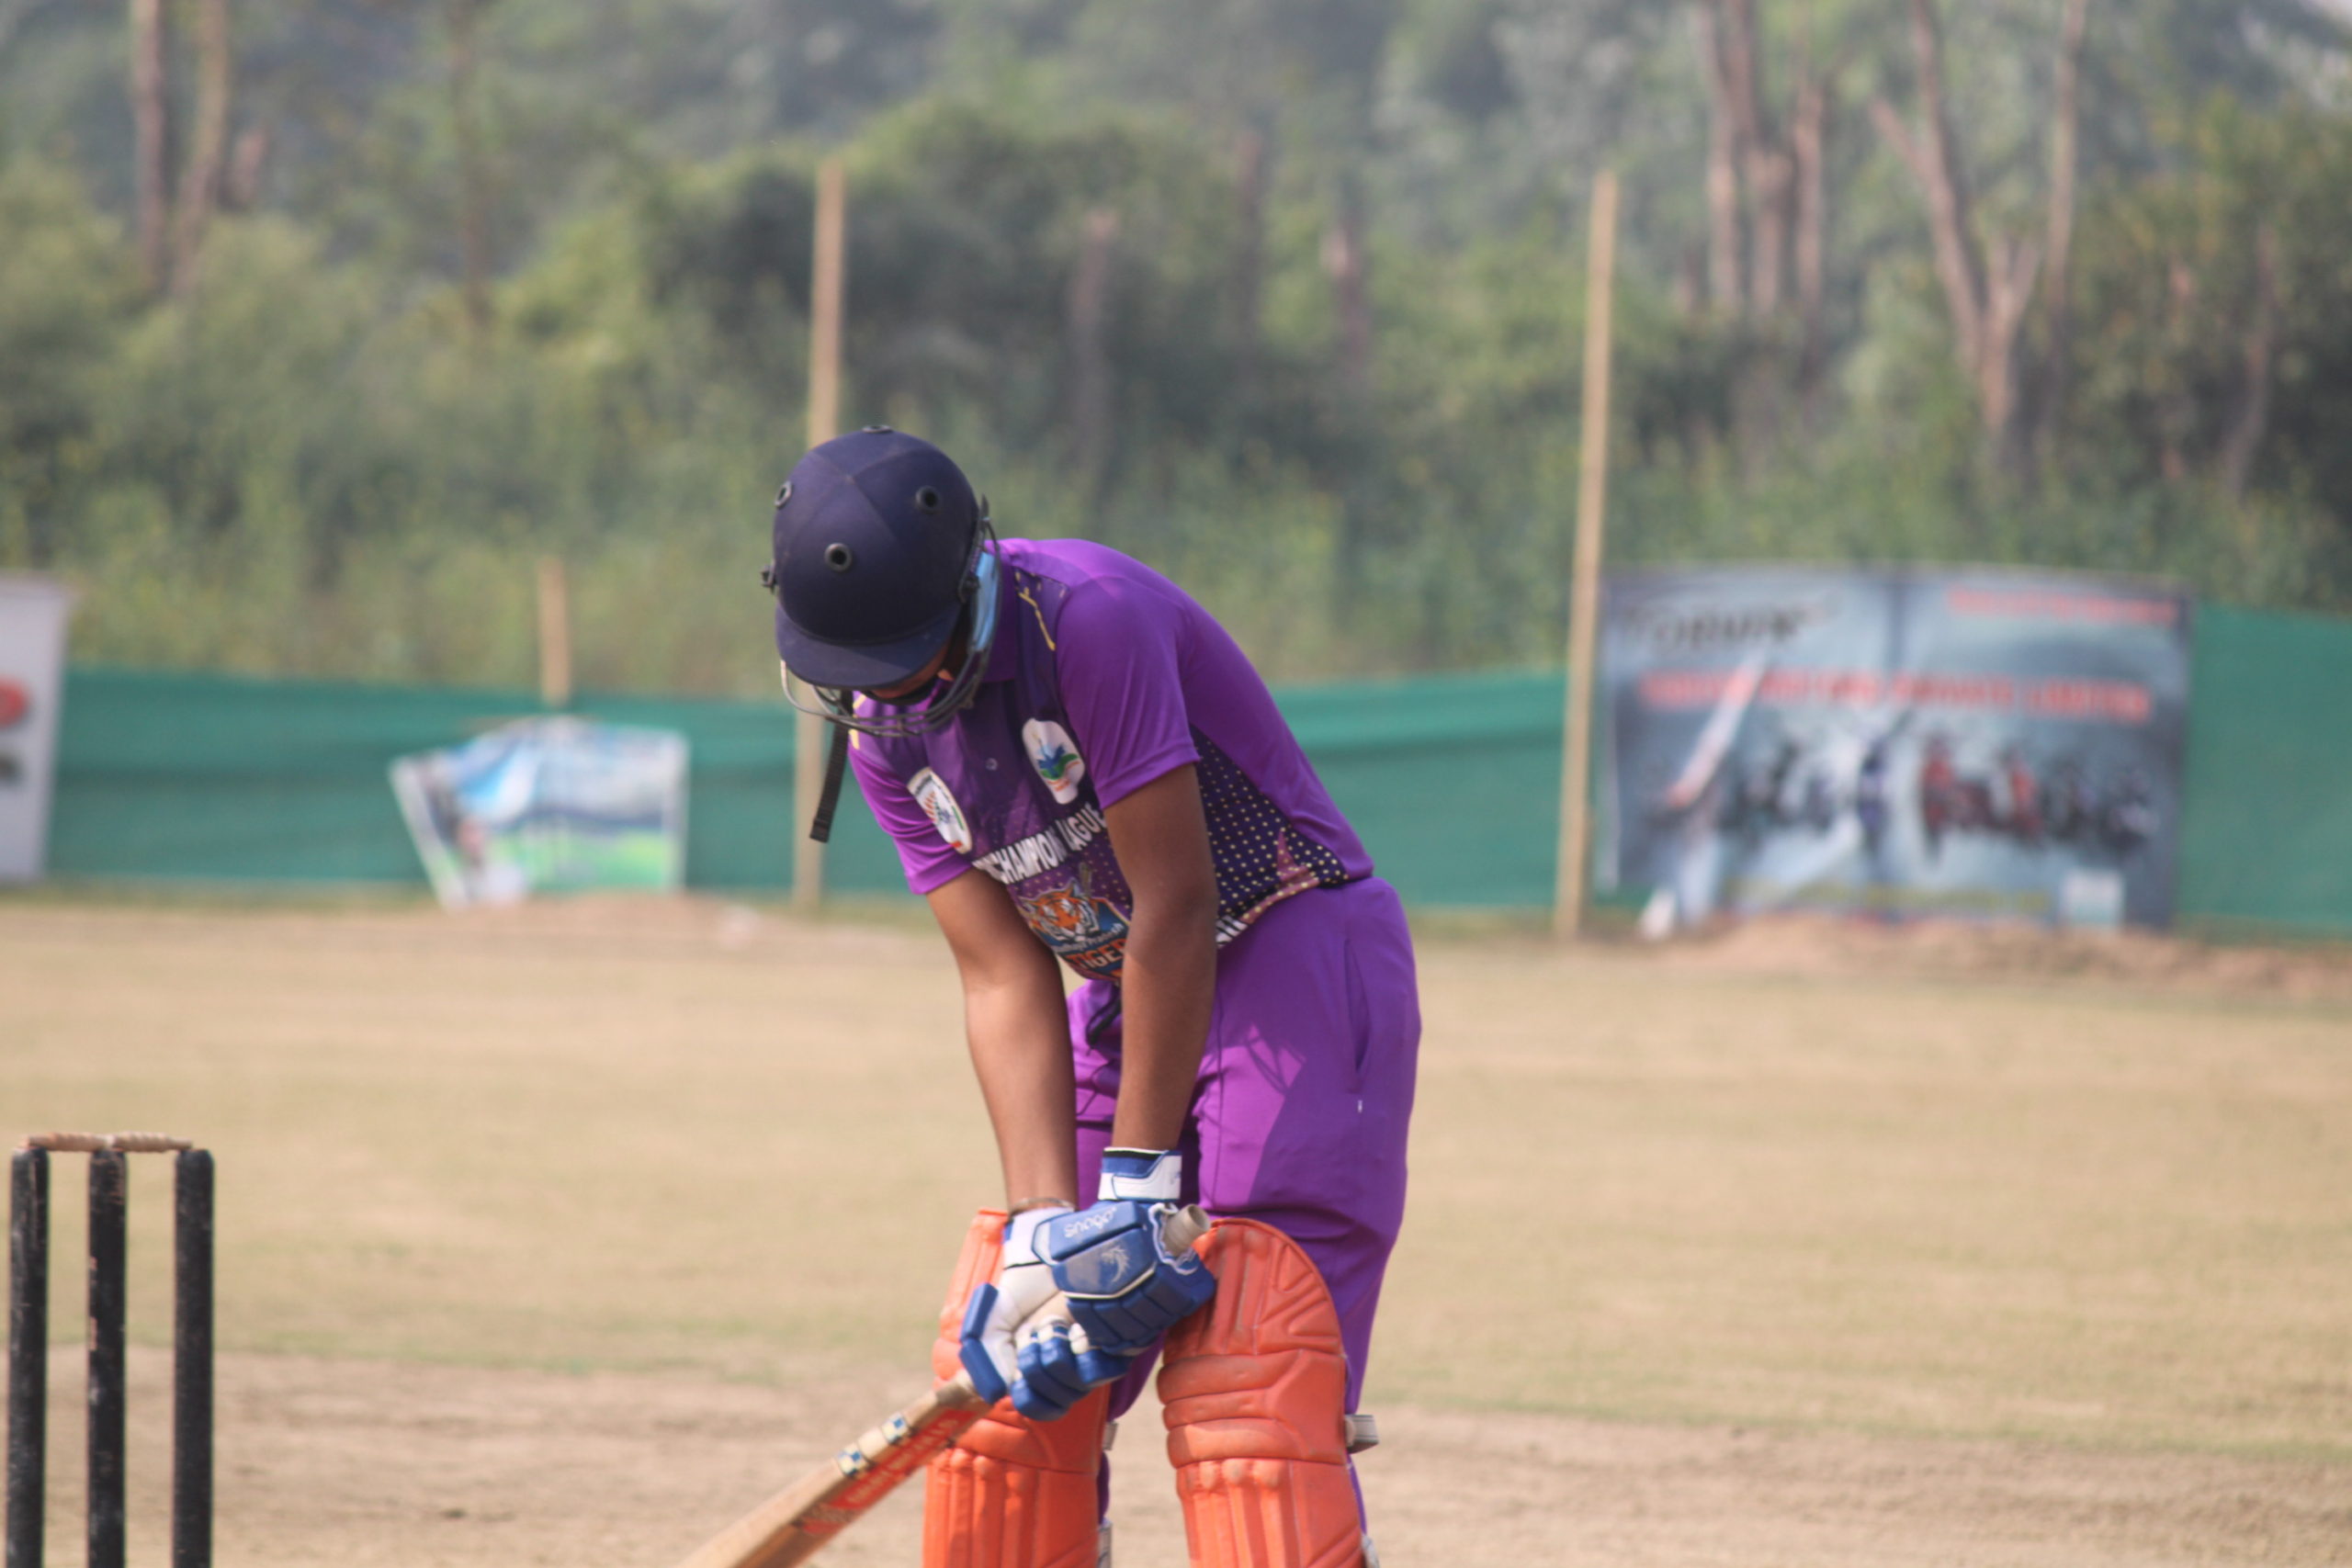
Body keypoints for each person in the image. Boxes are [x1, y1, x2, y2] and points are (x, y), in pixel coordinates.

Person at [762, 427, 1419, 1568]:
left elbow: (1174, 898)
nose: (902, 697)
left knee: (1249, 1398)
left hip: (1292, 954)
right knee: (1015, 1403)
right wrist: (1041, 1235)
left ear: (971, 581)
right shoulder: (885, 738)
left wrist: (1135, 1188)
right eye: (873, 678)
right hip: (1130, 999)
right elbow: (1002, 973)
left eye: (917, 662)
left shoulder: (1086, 621)